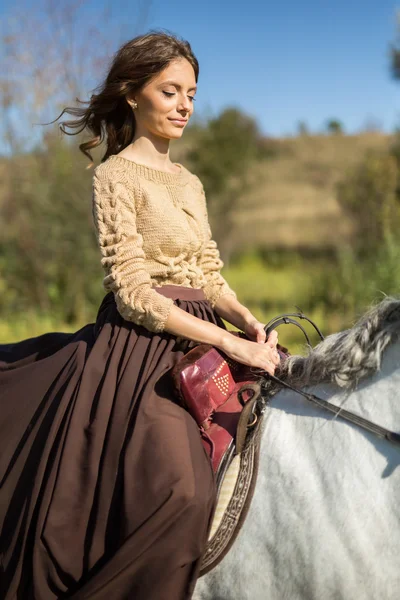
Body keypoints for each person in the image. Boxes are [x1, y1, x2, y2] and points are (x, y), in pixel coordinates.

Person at [0, 31, 280, 600]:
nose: (184, 106)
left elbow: (207, 273)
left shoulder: (191, 182)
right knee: (184, 492)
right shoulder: (114, 176)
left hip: (206, 332)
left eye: (192, 94)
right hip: (139, 346)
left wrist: (246, 321)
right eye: (170, 90)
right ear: (132, 94)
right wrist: (230, 346)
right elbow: (132, 292)